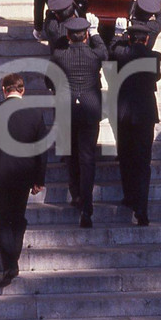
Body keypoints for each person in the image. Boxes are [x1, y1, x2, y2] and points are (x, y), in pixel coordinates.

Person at [0, 73, 47, 287]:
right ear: (22, 90)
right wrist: (39, 179)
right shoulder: (35, 113)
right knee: (17, 218)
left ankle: (10, 263)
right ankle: (11, 261)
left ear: (4, 89)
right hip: (24, 175)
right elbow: (41, 150)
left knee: (0, 220)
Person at [50, 14, 107, 228]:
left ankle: (75, 194)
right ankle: (87, 206)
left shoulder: (59, 55)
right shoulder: (95, 54)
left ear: (68, 36)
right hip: (90, 108)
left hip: (67, 108)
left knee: (71, 153)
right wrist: (96, 32)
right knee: (87, 157)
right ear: (86, 36)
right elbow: (103, 50)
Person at [108, 21, 161, 226]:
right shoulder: (154, 56)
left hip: (124, 113)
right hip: (145, 113)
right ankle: (142, 208)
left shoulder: (121, 53)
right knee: (143, 162)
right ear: (147, 39)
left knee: (126, 157)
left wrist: (120, 36)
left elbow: (111, 49)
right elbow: (156, 75)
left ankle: (129, 196)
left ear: (129, 38)